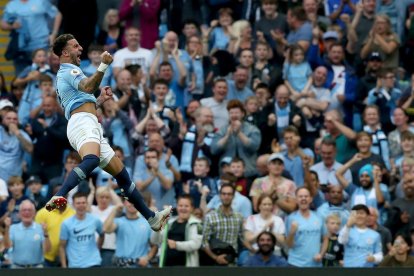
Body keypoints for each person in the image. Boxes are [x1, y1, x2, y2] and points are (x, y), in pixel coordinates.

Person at [47, 34, 171, 231]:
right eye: (76, 46)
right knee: (92, 159)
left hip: (87, 121)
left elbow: (82, 103)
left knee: (122, 175)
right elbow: (88, 86)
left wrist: (99, 101)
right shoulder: (68, 72)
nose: (80, 49)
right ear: (65, 52)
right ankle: (61, 194)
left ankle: (151, 217)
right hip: (82, 123)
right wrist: (103, 65)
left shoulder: (70, 73)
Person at [103, 199, 158, 268]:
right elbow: (105, 229)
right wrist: (115, 209)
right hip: (121, 265)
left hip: (140, 265)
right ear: (124, 204)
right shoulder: (119, 221)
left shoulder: (147, 223)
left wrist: (147, 258)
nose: (132, 204)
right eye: (129, 201)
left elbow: (154, 246)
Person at [201, 183, 244, 266]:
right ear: (219, 196)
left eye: (229, 194)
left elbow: (242, 239)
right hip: (214, 261)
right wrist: (216, 258)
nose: (226, 196)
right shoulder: (210, 217)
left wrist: (254, 249)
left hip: (232, 262)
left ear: (233, 196)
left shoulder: (239, 217)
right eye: (224, 194)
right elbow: (204, 242)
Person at [154, 195, 203, 267]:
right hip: (166, 266)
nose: (183, 208)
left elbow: (196, 244)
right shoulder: (169, 222)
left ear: (192, 208)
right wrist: (157, 225)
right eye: (180, 205)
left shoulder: (197, 224)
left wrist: (176, 245)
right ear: (176, 207)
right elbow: (155, 241)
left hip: (186, 269)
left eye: (186, 206)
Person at [59, 192, 103, 268]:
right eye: (78, 203)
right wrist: (64, 267)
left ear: (87, 204)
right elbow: (62, 246)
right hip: (75, 265)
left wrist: (98, 248)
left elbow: (102, 234)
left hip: (94, 263)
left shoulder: (95, 220)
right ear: (73, 205)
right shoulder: (66, 223)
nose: (81, 205)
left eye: (83, 203)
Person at [35, 185, 75, 267]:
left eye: (63, 194)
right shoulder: (43, 213)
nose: (60, 197)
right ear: (53, 197)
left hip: (67, 257)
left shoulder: (73, 214)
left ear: (67, 196)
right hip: (46, 257)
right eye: (58, 195)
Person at [4, 200, 51, 268]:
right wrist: (7, 228)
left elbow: (47, 250)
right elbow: (7, 246)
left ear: (34, 213)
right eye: (24, 210)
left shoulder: (41, 228)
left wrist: (45, 233)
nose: (27, 212)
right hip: (16, 268)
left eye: (30, 210)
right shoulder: (12, 228)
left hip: (37, 268)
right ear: (19, 214)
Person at [285, 187, 323, 267]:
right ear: (296, 199)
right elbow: (289, 245)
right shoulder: (290, 218)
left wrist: (321, 254)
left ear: (311, 199)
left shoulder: (319, 217)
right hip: (296, 264)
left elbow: (326, 238)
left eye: (306, 196)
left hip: (315, 264)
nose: (303, 199)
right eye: (300, 196)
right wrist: (292, 232)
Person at [0, 109, 33, 182]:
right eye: (8, 118)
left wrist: (17, 133)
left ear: (18, 122)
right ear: (3, 120)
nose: (11, 121)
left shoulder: (22, 134)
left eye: (15, 119)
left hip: (13, 178)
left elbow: (30, 150)